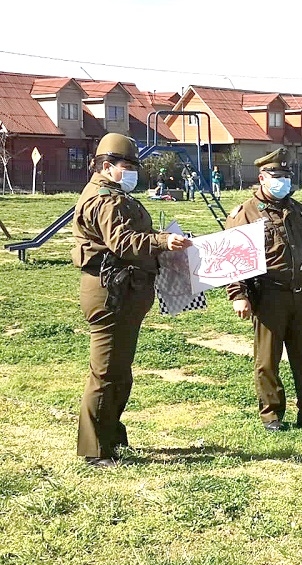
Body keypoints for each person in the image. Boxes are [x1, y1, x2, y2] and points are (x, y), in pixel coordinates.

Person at [71, 133, 191, 468]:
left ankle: (109, 436)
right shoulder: (105, 199)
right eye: (128, 166)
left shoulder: (114, 194)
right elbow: (123, 242)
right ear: (107, 166)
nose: (133, 172)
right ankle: (94, 450)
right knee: (107, 372)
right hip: (110, 292)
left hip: (124, 291)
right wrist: (162, 241)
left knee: (120, 371)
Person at [226, 147, 302, 432]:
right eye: (277, 176)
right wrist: (238, 295)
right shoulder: (245, 213)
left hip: (301, 294)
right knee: (267, 360)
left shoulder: (301, 211)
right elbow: (232, 258)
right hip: (269, 295)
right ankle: (272, 415)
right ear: (262, 178)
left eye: (286, 176)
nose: (283, 182)